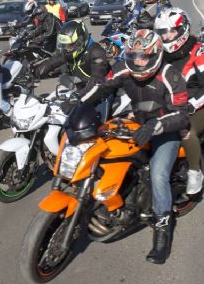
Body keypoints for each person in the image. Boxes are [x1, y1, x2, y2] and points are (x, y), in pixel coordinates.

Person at [80, 29, 189, 264]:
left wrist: (155, 127)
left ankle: (162, 230)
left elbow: (182, 116)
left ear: (156, 55)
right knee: (101, 149)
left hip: (165, 129)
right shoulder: (124, 68)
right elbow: (102, 86)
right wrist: (75, 103)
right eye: (134, 56)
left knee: (159, 175)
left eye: (144, 57)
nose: (138, 62)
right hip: (135, 122)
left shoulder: (170, 75)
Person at [154, 8, 204, 195]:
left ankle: (195, 172)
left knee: (184, 129)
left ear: (182, 29)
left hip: (197, 107)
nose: (167, 36)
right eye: (163, 32)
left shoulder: (198, 51)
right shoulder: (159, 53)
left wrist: (190, 105)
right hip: (167, 104)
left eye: (171, 31)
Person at [34, 21, 109, 99]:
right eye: (64, 46)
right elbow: (53, 61)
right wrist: (35, 74)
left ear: (80, 41)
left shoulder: (97, 53)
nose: (66, 49)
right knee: (63, 80)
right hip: (83, 86)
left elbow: (96, 81)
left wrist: (78, 95)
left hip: (99, 93)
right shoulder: (69, 52)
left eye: (69, 46)